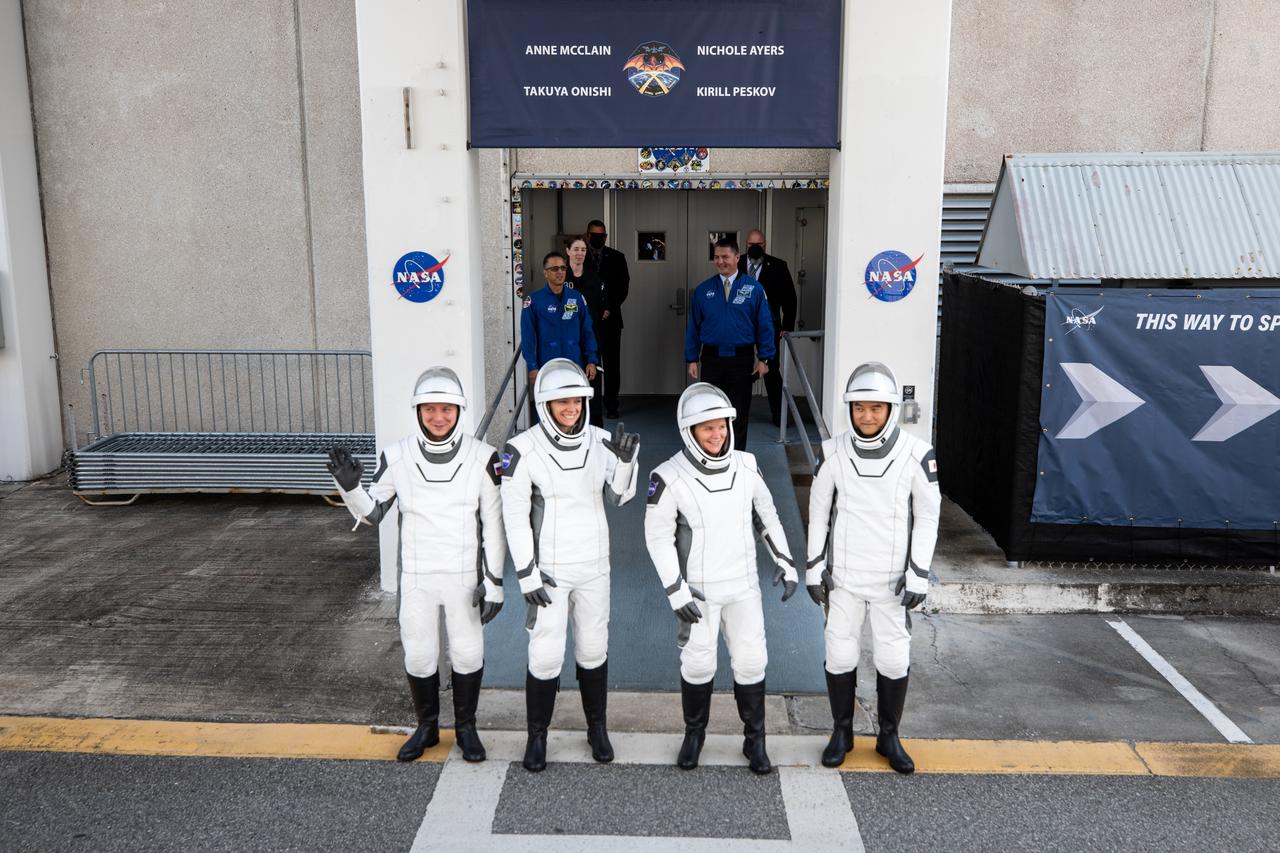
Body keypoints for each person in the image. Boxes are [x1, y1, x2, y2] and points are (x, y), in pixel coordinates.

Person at [325, 367, 505, 764]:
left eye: (446, 409)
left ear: (459, 410)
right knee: (419, 656)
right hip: (419, 578)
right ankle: (426, 727)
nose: (438, 417)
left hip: (464, 578)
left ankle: (466, 728)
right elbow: (373, 514)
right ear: (418, 411)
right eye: (429, 409)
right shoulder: (397, 456)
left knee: (468, 654)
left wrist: (494, 582)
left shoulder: (483, 457)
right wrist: (350, 487)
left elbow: (494, 524)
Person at [644, 383, 797, 774]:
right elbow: (657, 538)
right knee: (697, 665)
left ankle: (755, 741)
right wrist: (676, 591)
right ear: (689, 431)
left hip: (743, 585)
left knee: (751, 662)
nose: (717, 435)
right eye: (706, 428)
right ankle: (694, 735)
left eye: (722, 426)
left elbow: (767, 515)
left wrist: (785, 561)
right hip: (698, 592)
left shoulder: (746, 466)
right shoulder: (667, 476)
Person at [500, 358, 640, 773]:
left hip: (595, 566)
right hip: (549, 571)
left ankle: (596, 729)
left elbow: (620, 498)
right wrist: (526, 573)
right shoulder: (521, 449)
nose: (570, 408)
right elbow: (514, 515)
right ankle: (537, 736)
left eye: (576, 400)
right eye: (561, 401)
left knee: (594, 650)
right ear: (545, 404)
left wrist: (628, 463)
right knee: (545, 655)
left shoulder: (601, 441)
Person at [804, 362, 941, 775]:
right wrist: (814, 567)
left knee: (894, 660)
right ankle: (841, 732)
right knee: (840, 653)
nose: (867, 416)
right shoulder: (832, 451)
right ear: (850, 409)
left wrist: (918, 573)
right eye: (860, 408)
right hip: (843, 579)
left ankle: (889, 736)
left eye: (876, 408)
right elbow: (818, 511)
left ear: (891, 409)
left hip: (892, 584)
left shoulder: (917, 455)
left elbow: (929, 516)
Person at [684, 237, 775, 449]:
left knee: (738, 412)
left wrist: (764, 358)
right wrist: (691, 358)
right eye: (716, 257)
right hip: (711, 359)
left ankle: (737, 458)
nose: (720, 261)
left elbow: (765, 326)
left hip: (741, 360)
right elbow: (694, 328)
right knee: (711, 411)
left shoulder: (754, 289)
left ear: (737, 258)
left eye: (725, 256)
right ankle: (713, 454)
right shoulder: (703, 290)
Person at [521, 251, 599, 421]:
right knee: (550, 411)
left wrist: (592, 360)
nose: (560, 272)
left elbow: (587, 330)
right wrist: (532, 366)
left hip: (574, 365)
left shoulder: (577, 298)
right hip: (547, 367)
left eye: (563, 268)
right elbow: (527, 336)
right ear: (545, 272)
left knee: (574, 411)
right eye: (555, 268)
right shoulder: (534, 300)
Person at [738, 229, 797, 427]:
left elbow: (790, 297)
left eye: (759, 244)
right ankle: (737, 413)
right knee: (739, 365)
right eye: (751, 244)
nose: (755, 247)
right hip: (740, 325)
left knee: (771, 369)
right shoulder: (735, 263)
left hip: (769, 325)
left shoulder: (779, 266)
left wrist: (787, 325)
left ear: (765, 244)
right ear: (745, 244)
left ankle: (778, 415)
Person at [586, 219, 630, 419]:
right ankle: (589, 404)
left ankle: (612, 405)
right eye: (595, 235)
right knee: (589, 363)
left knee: (612, 365)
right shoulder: (580, 255)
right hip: (586, 322)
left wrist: (608, 308)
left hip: (611, 320)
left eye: (602, 236)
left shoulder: (617, 257)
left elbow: (623, 287)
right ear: (588, 236)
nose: (599, 239)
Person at [566, 235, 608, 427]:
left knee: (592, 386)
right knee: (569, 388)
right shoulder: (561, 276)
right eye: (576, 249)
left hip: (590, 339)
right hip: (566, 340)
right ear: (568, 251)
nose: (580, 253)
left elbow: (601, 307)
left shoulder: (594, 277)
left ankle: (595, 429)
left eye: (583, 250)